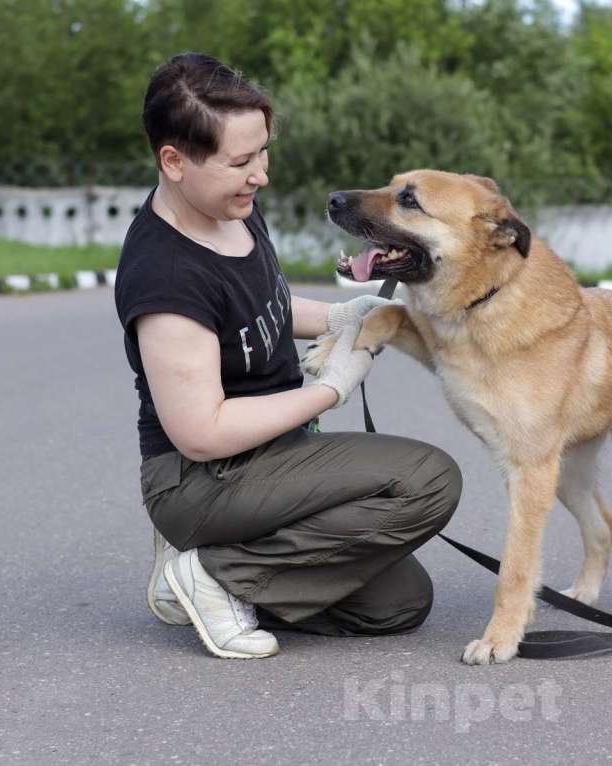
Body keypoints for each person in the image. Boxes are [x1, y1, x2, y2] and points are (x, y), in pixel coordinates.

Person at [114, 52, 461, 659]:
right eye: (241, 161)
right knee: (427, 480)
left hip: (273, 458)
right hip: (203, 479)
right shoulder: (166, 277)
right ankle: (215, 576)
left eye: (262, 152)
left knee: (399, 603)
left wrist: (335, 317)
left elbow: (261, 302)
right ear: (174, 161)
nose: (260, 175)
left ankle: (211, 566)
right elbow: (201, 432)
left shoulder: (229, 207)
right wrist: (330, 389)